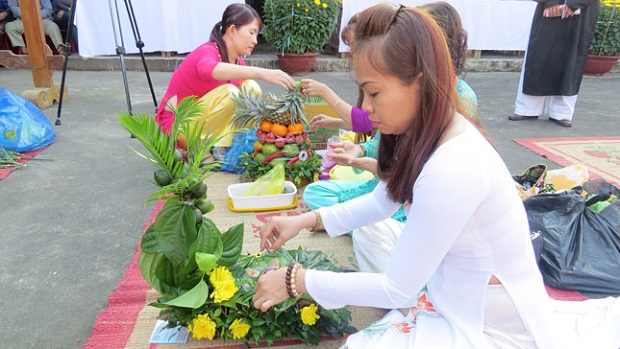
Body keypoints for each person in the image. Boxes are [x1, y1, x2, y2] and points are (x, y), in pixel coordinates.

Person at [252, 4, 563, 348]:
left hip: (487, 318)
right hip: (447, 287)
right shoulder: (427, 129)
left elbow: (397, 287)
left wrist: (297, 280)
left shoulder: (453, 166)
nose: (366, 108)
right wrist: (307, 220)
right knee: (371, 232)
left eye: (374, 92)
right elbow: (380, 201)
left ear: (418, 82)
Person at [301, 1, 477, 226]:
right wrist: (361, 148)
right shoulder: (406, 95)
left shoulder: (456, 113)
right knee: (320, 195)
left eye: (373, 93)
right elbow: (384, 194)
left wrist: (367, 164)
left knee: (370, 230)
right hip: (394, 187)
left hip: (410, 196)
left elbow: (411, 186)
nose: (366, 105)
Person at [155, 3, 295, 160]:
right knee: (230, 92)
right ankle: (203, 149)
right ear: (233, 30)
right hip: (180, 128)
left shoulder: (238, 63)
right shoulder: (207, 51)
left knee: (251, 88)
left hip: (201, 126)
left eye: (256, 35)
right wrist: (261, 72)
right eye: (251, 33)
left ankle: (232, 145)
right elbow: (208, 69)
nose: (255, 40)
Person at [509, 1, 599, 128]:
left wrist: (574, 4)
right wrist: (550, 2)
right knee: (539, 56)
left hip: (581, 11)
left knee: (570, 60)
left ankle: (561, 112)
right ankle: (528, 108)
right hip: (547, 8)